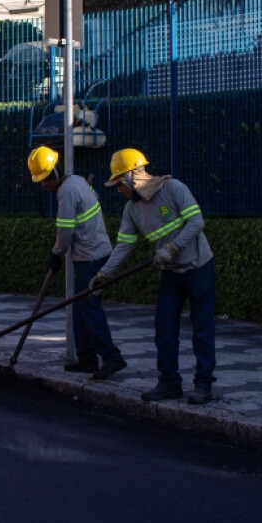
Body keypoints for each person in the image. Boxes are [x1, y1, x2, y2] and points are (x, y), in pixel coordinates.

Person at [91, 148, 216, 405]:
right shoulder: (132, 210)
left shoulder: (173, 189)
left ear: (132, 177)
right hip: (171, 273)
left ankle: (203, 385)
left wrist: (172, 247)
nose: (118, 190)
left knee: (202, 328)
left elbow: (196, 222)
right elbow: (124, 245)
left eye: (119, 183)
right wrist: (104, 274)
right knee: (164, 327)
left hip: (198, 267)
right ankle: (169, 382)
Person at [27, 146, 127, 380]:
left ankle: (111, 357)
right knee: (80, 309)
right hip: (92, 255)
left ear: (53, 173)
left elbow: (65, 231)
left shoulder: (66, 192)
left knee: (90, 308)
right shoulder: (78, 181)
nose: (43, 185)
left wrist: (56, 254)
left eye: (44, 180)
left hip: (91, 258)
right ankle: (87, 358)